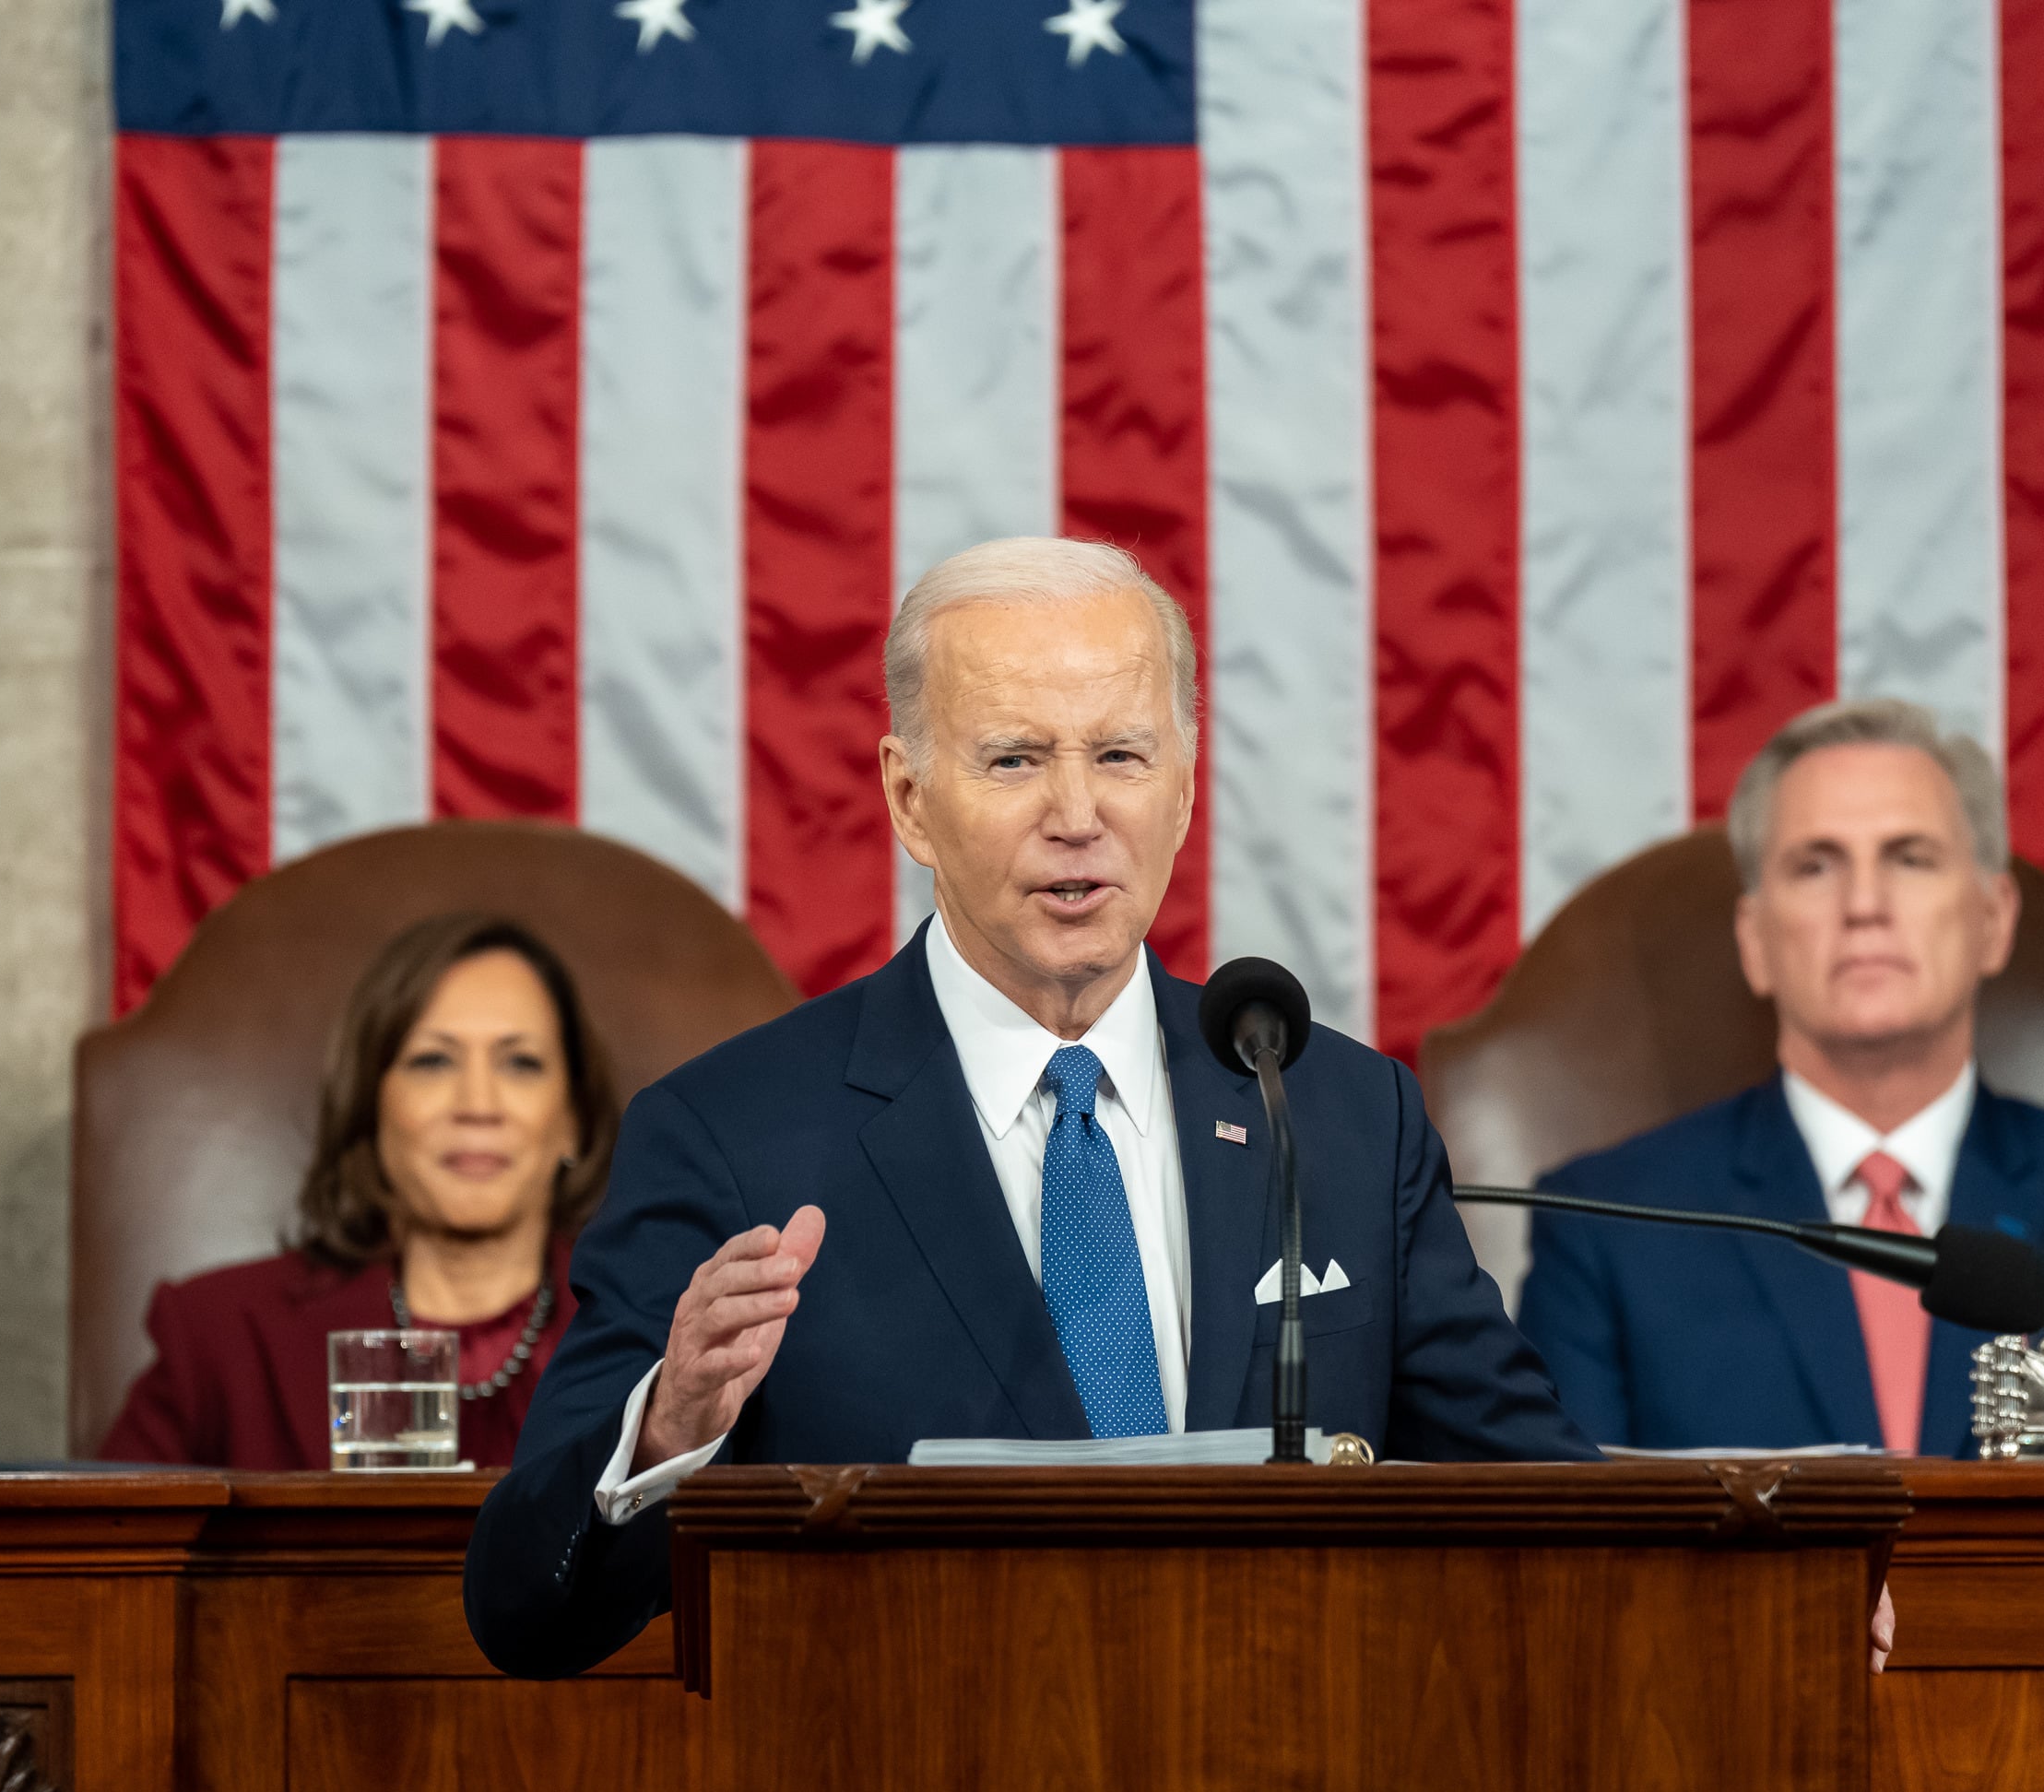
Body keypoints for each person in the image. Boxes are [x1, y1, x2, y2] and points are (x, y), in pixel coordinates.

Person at [465, 536, 1602, 1680]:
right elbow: (528, 1612)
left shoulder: (1341, 1113)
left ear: (1187, 785)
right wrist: (670, 1428)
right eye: (1014, 760)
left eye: (1120, 754)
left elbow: (1557, 1517)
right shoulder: (732, 1139)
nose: (1077, 813)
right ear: (911, 800)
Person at [1516, 699, 2044, 1456]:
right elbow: (1572, 1556)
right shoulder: (1607, 1227)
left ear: (1993, 920)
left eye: (1910, 858)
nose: (1864, 906)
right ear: (1754, 940)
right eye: (1815, 865)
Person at [99, 913, 620, 1470]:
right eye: (432, 1061)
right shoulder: (219, 1338)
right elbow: (106, 1546)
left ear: (573, 1118)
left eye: (521, 1063)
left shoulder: (650, 1341)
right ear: (371, 1106)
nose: (478, 1104)